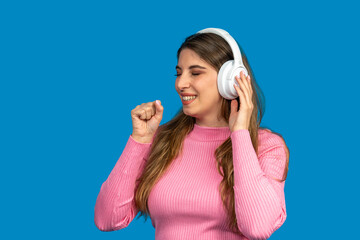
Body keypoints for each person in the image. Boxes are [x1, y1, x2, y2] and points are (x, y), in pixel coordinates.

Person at [94, 28, 290, 240]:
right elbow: (107, 219)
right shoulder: (163, 140)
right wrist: (139, 141)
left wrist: (240, 134)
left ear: (230, 80)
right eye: (179, 73)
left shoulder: (266, 146)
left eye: (195, 73)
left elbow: (258, 227)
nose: (180, 84)